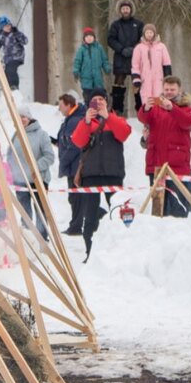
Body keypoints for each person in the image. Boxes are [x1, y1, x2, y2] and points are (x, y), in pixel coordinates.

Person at [70, 87, 130, 261]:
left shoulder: (115, 119)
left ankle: (121, 250)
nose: (98, 103)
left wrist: (108, 116)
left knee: (119, 212)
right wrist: (86, 122)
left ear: (107, 101)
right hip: (91, 175)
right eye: (95, 101)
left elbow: (124, 133)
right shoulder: (86, 122)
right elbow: (78, 141)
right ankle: (89, 252)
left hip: (113, 173)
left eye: (101, 100)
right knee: (89, 215)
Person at [139, 76, 191, 218]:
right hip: (156, 164)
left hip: (177, 165)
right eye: (166, 89)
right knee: (159, 210)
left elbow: (188, 122)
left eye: (172, 89)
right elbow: (143, 118)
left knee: (180, 208)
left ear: (179, 90)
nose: (169, 92)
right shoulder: (155, 107)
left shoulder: (186, 106)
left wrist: (172, 108)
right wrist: (145, 107)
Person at [8, 104, 55, 237]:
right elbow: (10, 154)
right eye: (18, 117)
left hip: (38, 179)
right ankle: (28, 238)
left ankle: (42, 237)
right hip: (20, 180)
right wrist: (11, 170)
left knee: (40, 210)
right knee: (24, 211)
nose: (21, 119)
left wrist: (35, 167)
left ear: (29, 118)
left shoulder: (41, 135)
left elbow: (49, 157)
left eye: (23, 116)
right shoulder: (16, 135)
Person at [54, 93, 86, 235]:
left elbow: (74, 145)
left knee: (76, 198)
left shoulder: (74, 121)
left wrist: (64, 162)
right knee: (74, 197)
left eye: (61, 105)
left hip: (75, 166)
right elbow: (65, 141)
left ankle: (76, 226)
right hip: (72, 165)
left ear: (68, 105)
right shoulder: (70, 120)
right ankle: (76, 224)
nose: (59, 108)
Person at [107, 0, 145, 115]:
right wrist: (122, 49)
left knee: (138, 84)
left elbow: (143, 38)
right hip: (120, 58)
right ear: (120, 10)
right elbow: (111, 39)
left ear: (131, 10)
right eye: (123, 9)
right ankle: (117, 110)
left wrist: (135, 50)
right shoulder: (115, 25)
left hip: (136, 59)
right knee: (118, 85)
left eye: (127, 8)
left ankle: (140, 110)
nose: (125, 10)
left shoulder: (139, 24)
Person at [131, 24, 172, 106]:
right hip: (145, 79)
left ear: (154, 33)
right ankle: (148, 115)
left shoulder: (161, 47)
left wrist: (168, 77)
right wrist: (136, 78)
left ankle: (158, 115)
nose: (149, 34)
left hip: (158, 78)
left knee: (158, 97)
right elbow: (135, 65)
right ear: (144, 34)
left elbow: (166, 62)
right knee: (147, 98)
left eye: (151, 32)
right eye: (147, 32)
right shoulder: (139, 48)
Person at [72, 27, 111, 103]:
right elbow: (77, 61)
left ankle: (99, 110)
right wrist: (76, 71)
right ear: (84, 39)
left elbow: (104, 60)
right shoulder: (81, 49)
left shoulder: (99, 48)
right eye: (87, 37)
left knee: (99, 94)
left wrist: (107, 68)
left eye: (91, 36)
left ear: (94, 38)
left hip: (97, 77)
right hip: (86, 78)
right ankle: (88, 110)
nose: (89, 38)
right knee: (87, 96)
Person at [0, 16, 28, 90]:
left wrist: (17, 33)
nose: (8, 27)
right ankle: (8, 88)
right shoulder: (0, 36)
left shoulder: (15, 33)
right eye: (6, 26)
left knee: (11, 69)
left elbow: (25, 41)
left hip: (17, 56)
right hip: (8, 58)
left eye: (9, 25)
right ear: (2, 27)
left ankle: (14, 86)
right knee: (6, 72)